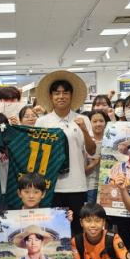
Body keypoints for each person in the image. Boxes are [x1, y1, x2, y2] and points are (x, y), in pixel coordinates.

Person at [35, 70, 96, 235]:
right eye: (57, 93)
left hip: (77, 184)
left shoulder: (83, 119)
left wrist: (84, 130)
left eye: (65, 93)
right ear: (51, 96)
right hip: (51, 185)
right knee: (54, 230)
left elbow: (91, 151)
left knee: (77, 229)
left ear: (71, 95)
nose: (61, 96)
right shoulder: (42, 122)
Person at [84, 110, 108, 203]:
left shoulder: (110, 141)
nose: (98, 124)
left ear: (105, 123)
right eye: (94, 121)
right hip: (90, 186)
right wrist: (94, 163)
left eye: (101, 121)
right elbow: (81, 171)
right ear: (89, 123)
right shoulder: (84, 141)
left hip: (108, 186)